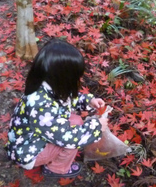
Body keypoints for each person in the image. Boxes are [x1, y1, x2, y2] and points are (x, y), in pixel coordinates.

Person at [6, 39, 107, 178]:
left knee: (76, 120)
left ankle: (53, 159)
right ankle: (56, 168)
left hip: (31, 137)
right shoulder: (40, 105)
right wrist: (96, 127)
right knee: (73, 138)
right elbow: (66, 138)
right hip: (28, 151)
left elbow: (68, 99)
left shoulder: (47, 85)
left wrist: (89, 101)